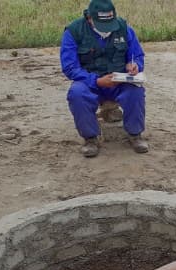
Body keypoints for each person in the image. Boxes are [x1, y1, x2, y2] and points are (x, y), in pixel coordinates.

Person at [60, 0, 148, 157]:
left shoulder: (124, 28)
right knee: (77, 94)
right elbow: (70, 68)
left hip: (119, 81)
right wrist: (96, 81)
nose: (107, 29)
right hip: (90, 82)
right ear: (89, 18)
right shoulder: (73, 31)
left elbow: (137, 55)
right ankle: (90, 138)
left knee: (136, 91)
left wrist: (134, 65)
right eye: (101, 24)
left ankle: (135, 135)